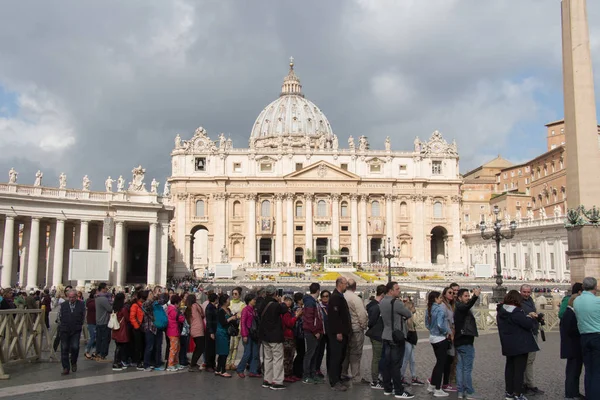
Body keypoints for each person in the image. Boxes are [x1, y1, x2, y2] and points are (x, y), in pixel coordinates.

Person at [497, 290, 539, 400]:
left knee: (510, 368)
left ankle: (509, 392)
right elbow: (527, 324)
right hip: (520, 344)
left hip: (508, 344)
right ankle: (517, 393)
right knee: (519, 370)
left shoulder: (501, 311)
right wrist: (531, 318)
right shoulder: (516, 311)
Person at [379, 281, 414, 399]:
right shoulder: (397, 303)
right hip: (396, 336)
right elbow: (408, 314)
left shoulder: (382, 301)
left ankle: (387, 388)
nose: (399, 290)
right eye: (397, 289)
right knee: (396, 365)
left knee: (387, 364)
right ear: (391, 290)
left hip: (386, 335)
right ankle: (399, 390)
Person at [573, 276, 600, 398]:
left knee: (588, 370)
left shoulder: (577, 301)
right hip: (597, 336)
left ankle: (589, 395)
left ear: (583, 287)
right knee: (597, 371)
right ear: (595, 286)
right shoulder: (597, 301)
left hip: (584, 336)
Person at [258, 284, 288, 390]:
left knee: (268, 358)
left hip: (265, 336)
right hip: (275, 336)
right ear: (275, 293)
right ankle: (277, 381)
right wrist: (281, 301)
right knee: (278, 359)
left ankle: (267, 379)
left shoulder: (261, 303)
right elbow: (284, 308)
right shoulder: (275, 305)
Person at [454, 288, 481, 399]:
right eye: (465, 296)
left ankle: (460, 391)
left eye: (468, 296)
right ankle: (469, 391)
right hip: (465, 341)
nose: (468, 298)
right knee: (467, 369)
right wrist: (475, 296)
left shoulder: (458, 308)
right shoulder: (461, 307)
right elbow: (467, 306)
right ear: (459, 298)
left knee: (460, 368)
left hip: (459, 341)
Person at [327, 276, 351, 392]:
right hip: (338, 333)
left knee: (340, 356)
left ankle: (337, 378)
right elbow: (335, 317)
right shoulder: (336, 297)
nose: (347, 286)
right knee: (336, 357)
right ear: (340, 284)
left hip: (342, 332)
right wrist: (338, 331)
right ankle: (334, 381)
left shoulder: (339, 296)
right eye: (345, 283)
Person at [425, 291, 451, 398]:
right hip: (440, 338)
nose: (441, 299)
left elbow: (426, 323)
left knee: (438, 363)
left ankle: (432, 385)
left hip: (432, 337)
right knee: (441, 364)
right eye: (440, 297)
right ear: (435, 299)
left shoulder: (429, 309)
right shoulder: (440, 309)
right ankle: (438, 389)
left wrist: (432, 330)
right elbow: (441, 324)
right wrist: (446, 332)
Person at [519, 284, 544, 396]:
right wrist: (529, 315)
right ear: (520, 291)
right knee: (528, 360)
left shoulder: (530, 301)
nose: (526, 294)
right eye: (524, 292)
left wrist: (538, 316)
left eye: (528, 292)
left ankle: (527, 383)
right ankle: (529, 384)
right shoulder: (519, 303)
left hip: (533, 331)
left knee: (530, 360)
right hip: (526, 333)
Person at [342, 279, 368, 384]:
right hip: (356, 328)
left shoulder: (342, 296)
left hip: (344, 329)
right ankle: (356, 376)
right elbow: (362, 314)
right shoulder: (356, 299)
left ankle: (343, 373)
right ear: (355, 287)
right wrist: (364, 325)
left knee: (345, 353)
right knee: (355, 354)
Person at [560, 293, 584, 400]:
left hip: (572, 347)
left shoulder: (569, 312)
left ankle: (574, 392)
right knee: (572, 372)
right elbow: (571, 330)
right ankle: (570, 394)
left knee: (575, 371)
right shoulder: (570, 313)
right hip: (572, 347)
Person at [58, 290, 85, 375]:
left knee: (75, 347)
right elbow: (59, 317)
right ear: (67, 297)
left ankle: (73, 362)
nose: (71, 299)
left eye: (73, 297)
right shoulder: (63, 305)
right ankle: (66, 367)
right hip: (65, 329)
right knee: (64, 348)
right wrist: (62, 325)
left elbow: (83, 316)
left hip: (76, 329)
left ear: (76, 297)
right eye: (70, 297)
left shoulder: (81, 304)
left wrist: (80, 324)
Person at [302, 282, 325, 384]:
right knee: (310, 354)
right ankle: (306, 375)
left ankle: (312, 373)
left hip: (315, 331)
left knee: (314, 354)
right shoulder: (310, 302)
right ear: (318, 291)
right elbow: (309, 319)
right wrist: (315, 331)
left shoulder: (313, 301)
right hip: (311, 332)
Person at [366, 284, 385, 389]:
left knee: (378, 357)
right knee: (377, 358)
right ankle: (375, 380)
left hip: (376, 334)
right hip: (376, 334)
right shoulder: (376, 307)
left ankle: (377, 378)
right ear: (382, 294)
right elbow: (371, 322)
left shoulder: (372, 304)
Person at [236, 293, 261, 378]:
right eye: (254, 299)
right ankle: (240, 369)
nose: (255, 301)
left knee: (255, 353)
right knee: (247, 353)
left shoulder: (254, 310)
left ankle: (253, 371)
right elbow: (242, 323)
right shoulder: (246, 310)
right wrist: (244, 335)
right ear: (249, 301)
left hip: (254, 334)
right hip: (248, 334)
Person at [401, 300, 424, 386]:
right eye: (414, 307)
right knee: (405, 359)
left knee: (412, 360)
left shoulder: (411, 318)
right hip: (408, 341)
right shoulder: (406, 319)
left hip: (411, 341)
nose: (415, 309)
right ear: (410, 308)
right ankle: (401, 376)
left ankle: (414, 377)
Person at [216, 294, 238, 377]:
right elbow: (223, 322)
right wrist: (231, 318)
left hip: (226, 332)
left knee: (224, 351)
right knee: (223, 352)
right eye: (228, 299)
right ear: (224, 301)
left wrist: (234, 317)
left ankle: (218, 369)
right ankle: (223, 370)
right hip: (221, 332)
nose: (229, 301)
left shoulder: (228, 309)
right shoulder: (221, 311)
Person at [440, 287, 457, 392]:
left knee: (449, 358)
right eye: (450, 292)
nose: (452, 294)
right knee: (446, 359)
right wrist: (448, 331)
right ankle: (444, 383)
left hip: (451, 333)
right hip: (447, 334)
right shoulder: (443, 306)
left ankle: (443, 381)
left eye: (453, 293)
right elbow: (442, 320)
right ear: (444, 294)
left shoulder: (450, 305)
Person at [282, 295, 299, 382]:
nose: (288, 302)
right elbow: (289, 323)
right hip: (287, 336)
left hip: (291, 335)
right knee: (287, 357)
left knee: (291, 356)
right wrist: (296, 316)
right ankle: (286, 374)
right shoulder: (285, 312)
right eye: (286, 300)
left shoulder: (289, 311)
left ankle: (290, 373)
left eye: (290, 300)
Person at [226, 287, 245, 370]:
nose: (234, 295)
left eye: (236, 294)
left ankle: (233, 362)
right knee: (229, 346)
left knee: (235, 346)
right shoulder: (229, 303)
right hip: (230, 327)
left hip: (238, 327)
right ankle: (227, 362)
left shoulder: (242, 304)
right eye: (233, 294)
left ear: (239, 295)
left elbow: (241, 316)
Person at [186, 294, 206, 372]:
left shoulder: (188, 308)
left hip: (193, 329)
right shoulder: (195, 305)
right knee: (200, 347)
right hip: (198, 329)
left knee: (198, 347)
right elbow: (202, 314)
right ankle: (192, 364)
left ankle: (193, 363)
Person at [111, 293, 130, 371]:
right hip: (122, 328)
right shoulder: (123, 309)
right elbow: (127, 318)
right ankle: (118, 362)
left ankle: (117, 361)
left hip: (116, 328)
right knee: (121, 346)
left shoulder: (114, 308)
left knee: (118, 345)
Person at [166, 294, 185, 371]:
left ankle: (175, 363)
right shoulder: (173, 310)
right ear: (177, 302)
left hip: (174, 330)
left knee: (177, 348)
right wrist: (182, 313)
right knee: (173, 348)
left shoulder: (170, 309)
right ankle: (170, 364)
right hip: (173, 331)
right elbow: (181, 319)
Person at [94, 283, 112, 362]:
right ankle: (102, 355)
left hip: (98, 321)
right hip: (104, 321)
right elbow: (110, 309)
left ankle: (98, 354)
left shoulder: (97, 297)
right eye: (106, 288)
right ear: (103, 289)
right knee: (105, 339)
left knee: (99, 339)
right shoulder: (103, 299)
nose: (107, 290)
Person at [315, 289, 330, 378]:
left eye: (327, 296)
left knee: (330, 352)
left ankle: (330, 369)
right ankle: (317, 369)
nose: (325, 298)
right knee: (319, 352)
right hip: (321, 332)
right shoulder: (318, 306)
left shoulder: (331, 306)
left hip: (330, 333)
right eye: (323, 296)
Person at [129, 290, 146, 370]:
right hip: (137, 328)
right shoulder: (135, 305)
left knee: (142, 344)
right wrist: (137, 326)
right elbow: (132, 317)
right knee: (138, 345)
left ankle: (141, 360)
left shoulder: (143, 305)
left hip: (142, 327)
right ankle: (137, 361)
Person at [205, 292, 219, 372]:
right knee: (209, 348)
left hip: (213, 329)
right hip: (211, 330)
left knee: (213, 348)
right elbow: (209, 321)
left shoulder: (213, 307)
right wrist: (211, 332)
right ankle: (209, 365)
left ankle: (212, 364)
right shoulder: (210, 307)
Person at [84, 289, 97, 360]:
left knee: (96, 337)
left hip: (95, 321)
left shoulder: (91, 301)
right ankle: (87, 351)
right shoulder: (91, 302)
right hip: (92, 321)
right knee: (93, 337)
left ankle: (94, 351)